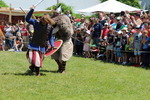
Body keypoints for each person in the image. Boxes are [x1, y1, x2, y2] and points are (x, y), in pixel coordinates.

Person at [25, 5, 55, 76]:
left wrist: (53, 45)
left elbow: (50, 37)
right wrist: (31, 10)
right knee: (36, 60)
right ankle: (38, 74)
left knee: (39, 60)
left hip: (43, 46)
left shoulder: (50, 27)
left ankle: (32, 67)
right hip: (34, 45)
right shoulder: (36, 23)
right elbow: (27, 19)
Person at [51, 9, 74, 73]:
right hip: (58, 38)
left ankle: (63, 69)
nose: (55, 14)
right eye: (54, 13)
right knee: (55, 54)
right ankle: (60, 67)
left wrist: (51, 32)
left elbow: (61, 27)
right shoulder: (53, 18)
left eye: (56, 13)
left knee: (64, 54)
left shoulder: (64, 18)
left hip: (66, 39)